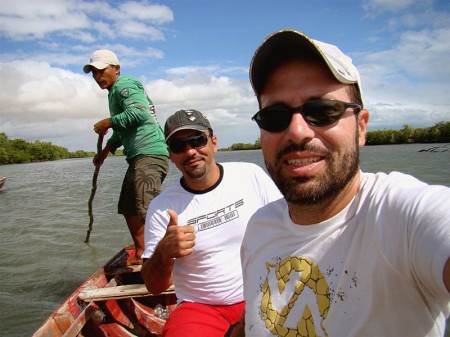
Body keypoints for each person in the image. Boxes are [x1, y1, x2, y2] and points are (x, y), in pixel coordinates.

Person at [239, 29, 450, 337]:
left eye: (322, 111)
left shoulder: (402, 216)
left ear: (361, 127)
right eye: (275, 116)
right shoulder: (259, 227)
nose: (297, 131)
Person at [141, 109, 282, 337]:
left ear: (213, 143)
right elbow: (154, 287)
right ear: (170, 155)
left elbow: (289, 229)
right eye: (179, 146)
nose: (190, 151)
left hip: (263, 290)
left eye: (197, 140)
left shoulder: (250, 176)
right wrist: (164, 251)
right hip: (200, 307)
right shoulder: (161, 207)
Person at [84, 50, 169, 265]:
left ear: (116, 69)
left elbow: (140, 113)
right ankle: (142, 254)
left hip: (149, 153)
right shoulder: (113, 93)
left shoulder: (124, 86)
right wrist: (106, 150)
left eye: (101, 70)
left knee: (146, 208)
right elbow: (125, 128)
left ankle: (163, 262)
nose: (97, 76)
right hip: (138, 157)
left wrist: (108, 121)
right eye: (93, 72)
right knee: (129, 207)